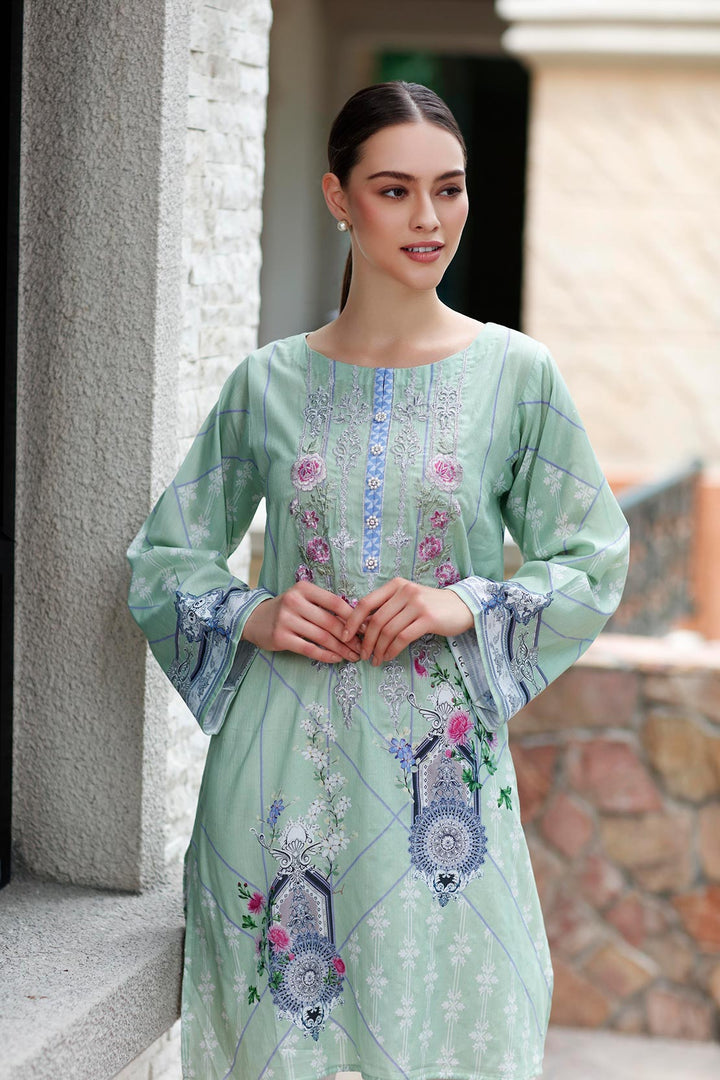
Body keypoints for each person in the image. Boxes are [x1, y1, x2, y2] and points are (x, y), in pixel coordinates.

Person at [127, 81, 629, 1080]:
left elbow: (594, 557)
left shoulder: (516, 376)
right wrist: (255, 613)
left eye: (450, 188)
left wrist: (466, 602)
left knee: (461, 1035)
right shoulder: (268, 383)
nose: (428, 217)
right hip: (280, 787)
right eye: (395, 190)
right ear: (339, 197)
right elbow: (164, 560)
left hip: (440, 792)